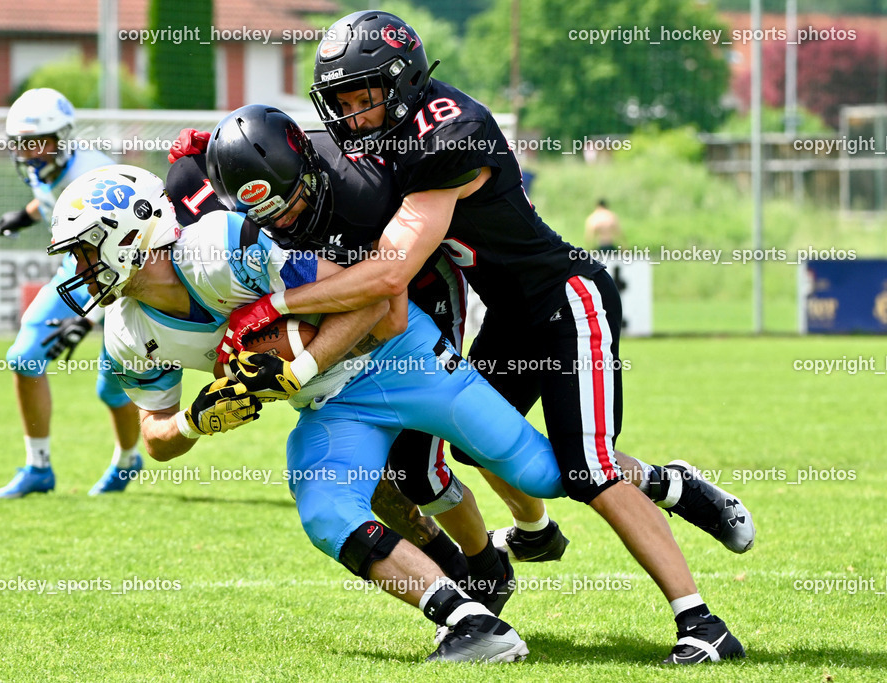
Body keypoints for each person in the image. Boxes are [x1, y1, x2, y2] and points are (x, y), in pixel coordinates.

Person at [221, 10, 753, 664]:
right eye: (343, 102)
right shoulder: (382, 141)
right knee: (487, 451)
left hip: (565, 300)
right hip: (507, 315)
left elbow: (390, 271)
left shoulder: (450, 135)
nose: (354, 117)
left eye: (365, 98)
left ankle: (703, 624)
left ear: (404, 81)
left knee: (587, 469)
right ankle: (668, 485)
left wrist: (277, 304)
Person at [44, 163, 600, 662]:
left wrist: (299, 367)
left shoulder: (220, 245)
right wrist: (196, 419)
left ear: (130, 235)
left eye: (85, 249)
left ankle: (634, 492)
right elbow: (155, 436)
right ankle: (470, 623)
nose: (77, 266)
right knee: (325, 509)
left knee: (547, 473)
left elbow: (371, 299)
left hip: (398, 357)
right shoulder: (126, 332)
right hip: (332, 403)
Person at [166, 106, 570, 612]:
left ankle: (509, 549)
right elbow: (169, 235)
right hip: (334, 305)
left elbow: (388, 308)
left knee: (422, 464)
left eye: (289, 201)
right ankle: (476, 561)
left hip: (417, 291)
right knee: (382, 478)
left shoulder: (361, 184)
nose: (283, 220)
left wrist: (296, 351)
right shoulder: (197, 188)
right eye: (265, 212)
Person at [0, 88, 142, 498]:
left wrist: (86, 318)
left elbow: (124, 259)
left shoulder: (95, 178)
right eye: (22, 144)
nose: (29, 153)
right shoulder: (45, 168)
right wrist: (25, 215)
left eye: (38, 143)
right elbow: (50, 195)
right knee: (24, 357)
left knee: (112, 386)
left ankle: (128, 459)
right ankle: (37, 467)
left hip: (128, 282)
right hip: (77, 271)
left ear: (63, 138)